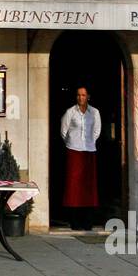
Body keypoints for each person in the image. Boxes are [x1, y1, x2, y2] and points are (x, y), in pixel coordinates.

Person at [60, 86, 101, 230]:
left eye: (83, 95)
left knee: (88, 187)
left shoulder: (94, 112)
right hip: (74, 151)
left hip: (89, 152)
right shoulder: (70, 112)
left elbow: (96, 131)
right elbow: (63, 132)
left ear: (88, 96)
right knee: (73, 187)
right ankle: (75, 221)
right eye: (78, 95)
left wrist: (89, 143)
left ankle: (88, 221)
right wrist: (73, 143)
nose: (80, 98)